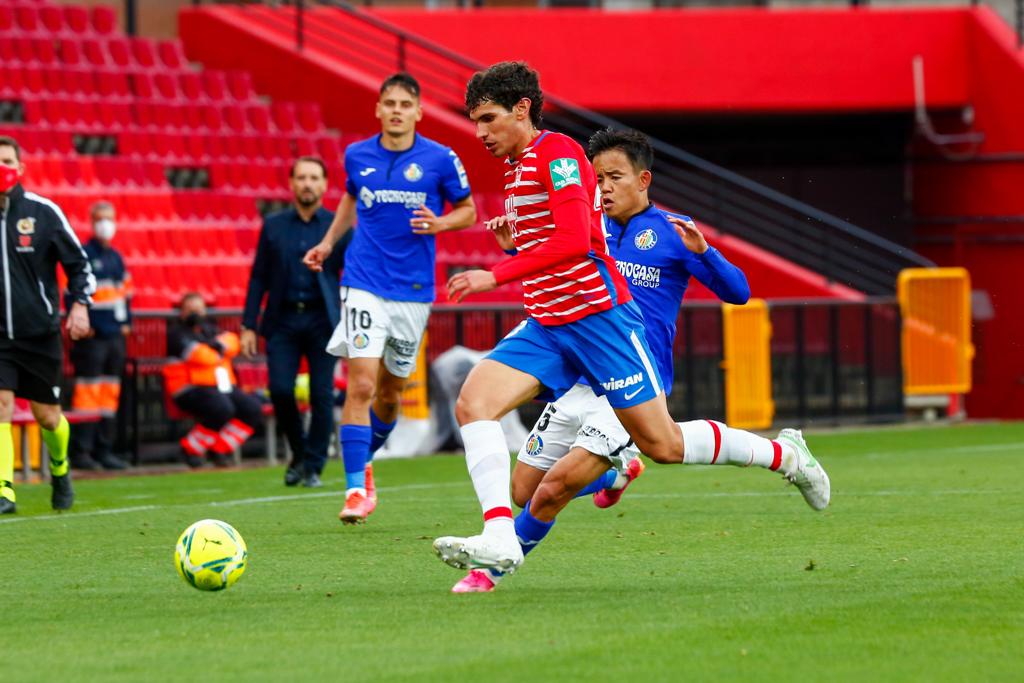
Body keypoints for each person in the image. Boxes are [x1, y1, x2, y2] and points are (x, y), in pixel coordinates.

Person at [433, 63, 830, 579]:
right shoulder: (516, 170)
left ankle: (784, 455)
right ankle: (498, 535)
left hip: (603, 329)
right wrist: (516, 246)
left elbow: (576, 242)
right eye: (475, 121)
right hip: (552, 328)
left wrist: (497, 272)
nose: (480, 132)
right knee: (477, 410)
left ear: (523, 109)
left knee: (660, 446)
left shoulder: (560, 156)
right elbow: (568, 242)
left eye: (488, 119)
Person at [303, 73, 477, 523]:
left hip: (413, 291)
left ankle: (364, 464)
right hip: (362, 281)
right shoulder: (357, 154)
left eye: (405, 104)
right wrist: (327, 242)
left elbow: (468, 211)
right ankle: (355, 490)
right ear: (377, 109)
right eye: (389, 103)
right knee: (360, 384)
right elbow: (349, 199)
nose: (397, 110)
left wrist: (440, 224)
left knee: (389, 393)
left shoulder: (440, 159)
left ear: (418, 111)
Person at [0, 135, 95, 514]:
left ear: (20, 168)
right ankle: (4, 490)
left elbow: (80, 266)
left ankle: (60, 467)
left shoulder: (43, 213)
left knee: (48, 417)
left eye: (6, 161)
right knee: (1, 405)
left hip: (38, 335)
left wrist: (81, 305)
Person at [242, 157, 350, 488]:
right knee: (279, 389)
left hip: (322, 320)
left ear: (324, 184)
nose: (307, 183)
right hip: (283, 320)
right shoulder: (273, 225)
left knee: (321, 395)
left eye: (313, 177)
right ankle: (299, 454)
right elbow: (258, 276)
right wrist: (248, 324)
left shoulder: (338, 226)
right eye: (301, 177)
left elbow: (354, 275)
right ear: (291, 183)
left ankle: (313, 466)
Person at [68, 200, 132, 471]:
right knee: (87, 393)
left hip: (115, 336)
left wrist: (126, 321)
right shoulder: (83, 254)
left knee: (109, 393)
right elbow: (71, 290)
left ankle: (105, 450)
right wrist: (84, 323)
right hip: (92, 337)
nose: (107, 224)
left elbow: (126, 293)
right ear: (93, 222)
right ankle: (82, 452)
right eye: (101, 218)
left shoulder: (116, 256)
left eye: (110, 218)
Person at [164, 293, 262, 468]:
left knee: (252, 408)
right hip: (189, 388)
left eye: (199, 309)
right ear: (182, 312)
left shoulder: (209, 329)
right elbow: (201, 356)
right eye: (191, 310)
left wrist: (216, 347)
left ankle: (219, 449)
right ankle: (190, 449)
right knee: (222, 408)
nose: (196, 313)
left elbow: (234, 342)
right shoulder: (176, 333)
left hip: (220, 386)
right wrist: (218, 349)